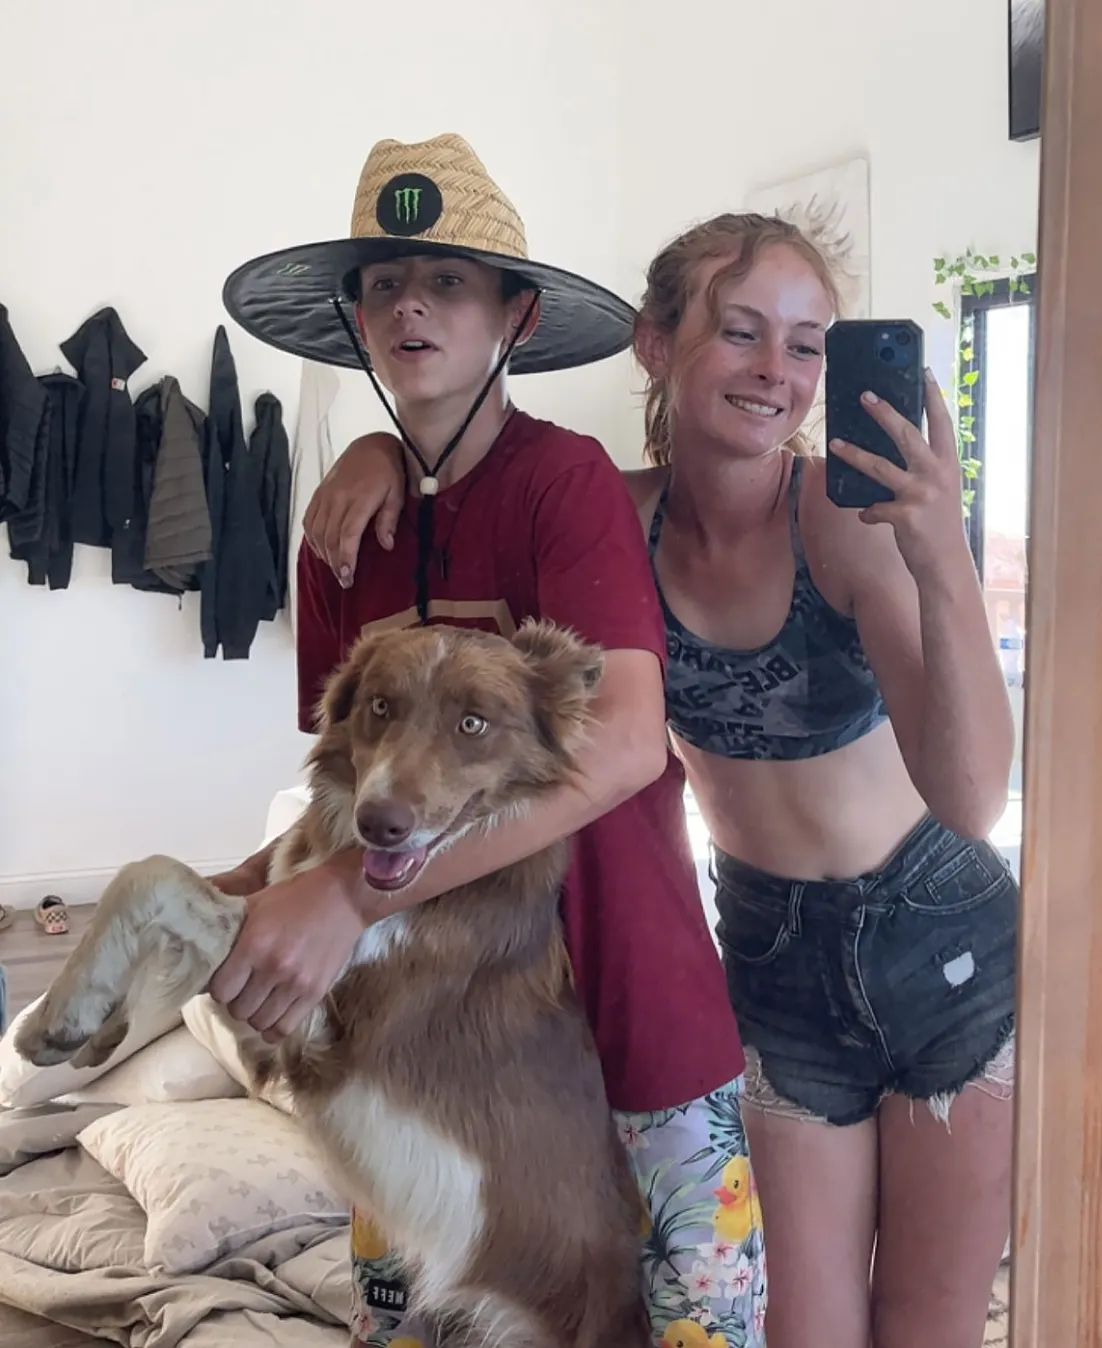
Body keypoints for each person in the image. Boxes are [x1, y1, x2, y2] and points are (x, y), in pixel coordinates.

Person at [311, 209, 1019, 1348]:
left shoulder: (842, 524)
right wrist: (383, 452)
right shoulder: (612, 512)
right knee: (804, 1329)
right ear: (654, 343)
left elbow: (974, 797)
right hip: (772, 956)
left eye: (806, 344)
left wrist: (941, 555)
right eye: (740, 331)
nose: (777, 369)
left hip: (944, 945)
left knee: (929, 1323)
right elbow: (487, 488)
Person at [206, 134, 765, 1348]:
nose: (411, 304)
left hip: (628, 989)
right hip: (423, 1051)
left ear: (516, 316)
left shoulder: (564, 483)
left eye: (449, 281)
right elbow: (343, 805)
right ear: (356, 317)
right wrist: (239, 900)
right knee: (411, 1317)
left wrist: (343, 898)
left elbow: (627, 744)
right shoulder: (336, 536)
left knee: (696, 1317)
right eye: (385, 282)